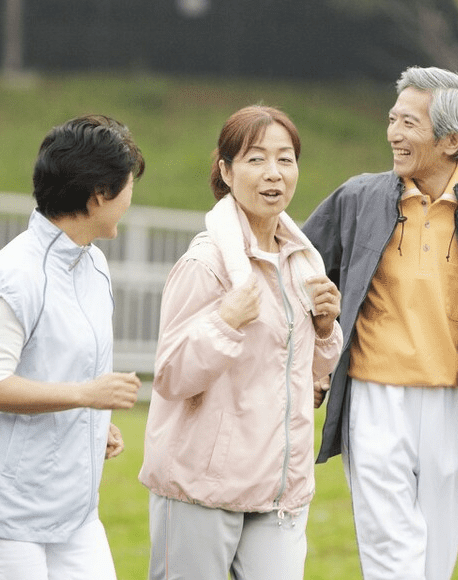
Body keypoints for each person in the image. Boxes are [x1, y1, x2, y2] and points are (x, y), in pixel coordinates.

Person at [303, 66, 458, 580]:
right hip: (373, 399)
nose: (394, 132)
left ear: (452, 140)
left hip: (454, 402)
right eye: (393, 119)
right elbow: (299, 269)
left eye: (409, 123)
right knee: (390, 551)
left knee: (435, 560)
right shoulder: (357, 198)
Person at [139, 105, 344, 580]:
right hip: (201, 490)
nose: (273, 173)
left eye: (285, 159)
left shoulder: (301, 263)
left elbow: (308, 371)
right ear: (227, 172)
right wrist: (225, 322)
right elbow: (170, 375)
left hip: (280, 491)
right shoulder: (206, 264)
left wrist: (325, 327)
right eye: (256, 159)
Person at [0, 114, 146, 580]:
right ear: (98, 196)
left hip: (72, 507)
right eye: (128, 187)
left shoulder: (93, 265)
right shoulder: (15, 275)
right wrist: (85, 397)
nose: (131, 198)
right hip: (4, 509)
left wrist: (95, 423)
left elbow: (65, 366)